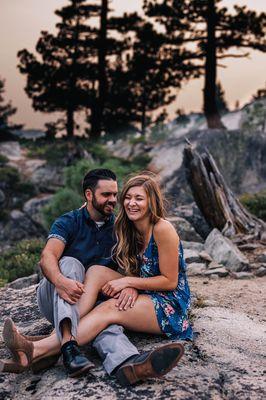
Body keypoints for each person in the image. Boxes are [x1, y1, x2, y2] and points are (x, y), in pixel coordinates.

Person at [0, 170, 190, 386]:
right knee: (78, 267)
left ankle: (125, 363)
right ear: (89, 195)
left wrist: (129, 284)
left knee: (104, 313)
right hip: (59, 297)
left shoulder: (137, 227)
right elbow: (47, 257)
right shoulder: (73, 222)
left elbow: (161, 278)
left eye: (133, 197)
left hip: (150, 301)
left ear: (151, 201)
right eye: (125, 197)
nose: (122, 202)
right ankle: (56, 345)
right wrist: (62, 283)